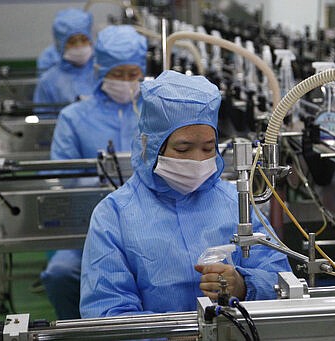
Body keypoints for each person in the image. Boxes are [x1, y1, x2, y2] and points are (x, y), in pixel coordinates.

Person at [80, 70, 291, 317]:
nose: (198, 160)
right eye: (183, 149)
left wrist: (244, 285)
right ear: (151, 146)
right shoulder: (114, 216)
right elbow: (107, 313)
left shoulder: (235, 203)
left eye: (208, 148)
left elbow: (282, 281)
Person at [41, 25, 147, 320]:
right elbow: (66, 180)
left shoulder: (154, 113)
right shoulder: (73, 118)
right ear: (100, 70)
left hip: (149, 224)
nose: (126, 82)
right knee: (60, 273)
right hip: (86, 226)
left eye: (133, 74)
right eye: (117, 74)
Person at [33, 8, 94, 112]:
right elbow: (45, 122)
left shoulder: (103, 73)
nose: (79, 46)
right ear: (61, 44)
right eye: (72, 41)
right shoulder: (48, 82)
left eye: (84, 40)